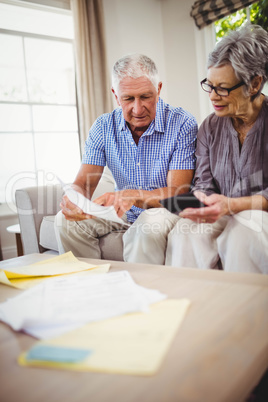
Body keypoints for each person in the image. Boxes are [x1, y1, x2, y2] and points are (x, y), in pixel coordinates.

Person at [55, 53, 198, 264]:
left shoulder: (182, 123)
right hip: (122, 212)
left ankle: (141, 293)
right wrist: (74, 200)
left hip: (164, 210)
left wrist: (132, 195)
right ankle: (88, 286)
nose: (138, 109)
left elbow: (177, 194)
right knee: (64, 222)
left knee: (148, 223)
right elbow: (82, 185)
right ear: (116, 95)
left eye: (146, 97)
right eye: (128, 99)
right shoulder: (103, 126)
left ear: (158, 89)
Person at [166, 25, 268, 273]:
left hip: (259, 214)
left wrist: (233, 205)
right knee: (186, 231)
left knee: (243, 234)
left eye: (222, 88)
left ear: (254, 84)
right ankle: (190, 306)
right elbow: (203, 181)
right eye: (209, 85)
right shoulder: (210, 126)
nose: (212, 96)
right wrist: (201, 198)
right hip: (220, 211)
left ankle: (244, 310)